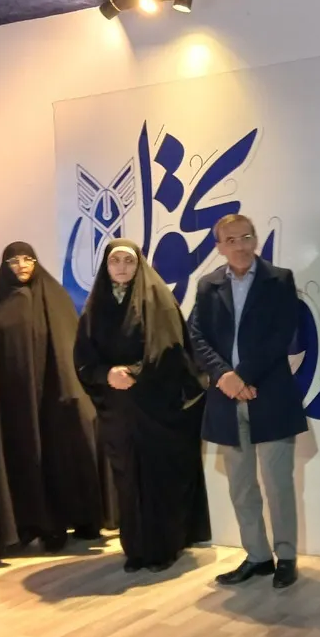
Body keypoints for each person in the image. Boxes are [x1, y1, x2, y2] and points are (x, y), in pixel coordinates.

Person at [0, 242, 115, 560]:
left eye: (27, 259)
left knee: (65, 455)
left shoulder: (55, 298)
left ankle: (77, 520)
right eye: (13, 260)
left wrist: (72, 391)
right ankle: (36, 526)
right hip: (17, 405)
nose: (21, 265)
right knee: (27, 458)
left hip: (57, 399)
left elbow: (70, 345)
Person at [74, 240, 211, 573]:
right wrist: (107, 374)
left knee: (159, 477)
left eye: (128, 261)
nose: (121, 267)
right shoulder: (96, 307)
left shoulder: (157, 300)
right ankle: (136, 548)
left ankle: (165, 548)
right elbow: (83, 358)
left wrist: (134, 373)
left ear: (139, 265)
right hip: (119, 411)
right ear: (106, 267)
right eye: (115, 261)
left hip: (157, 407)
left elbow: (170, 348)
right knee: (128, 479)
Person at [188, 214, 307, 589]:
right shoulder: (208, 285)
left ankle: (286, 557)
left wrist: (243, 376)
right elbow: (196, 336)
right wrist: (224, 376)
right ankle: (257, 556)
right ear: (219, 247)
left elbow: (282, 334)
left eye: (245, 237)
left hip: (269, 395)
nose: (239, 246)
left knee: (277, 484)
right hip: (226, 399)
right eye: (230, 240)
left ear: (255, 240)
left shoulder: (279, 280)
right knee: (240, 486)